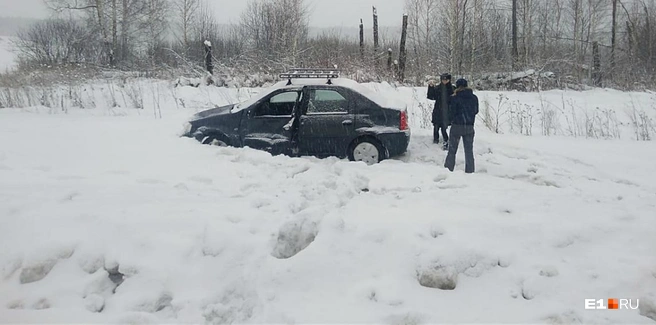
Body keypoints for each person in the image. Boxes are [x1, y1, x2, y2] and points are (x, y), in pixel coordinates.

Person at [444, 78, 478, 173]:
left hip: (457, 126)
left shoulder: (454, 98)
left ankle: (448, 170)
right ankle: (470, 170)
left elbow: (451, 112)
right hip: (469, 126)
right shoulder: (474, 98)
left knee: (452, 150)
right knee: (469, 151)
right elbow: (476, 111)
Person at [427, 73, 455, 150]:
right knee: (436, 126)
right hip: (438, 110)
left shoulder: (452, 88)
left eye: (446, 80)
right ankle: (435, 140)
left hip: (447, 111)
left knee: (443, 127)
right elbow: (431, 96)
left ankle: (446, 140)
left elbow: (455, 99)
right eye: (443, 79)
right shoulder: (438, 88)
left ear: (449, 80)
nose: (444, 81)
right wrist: (431, 87)